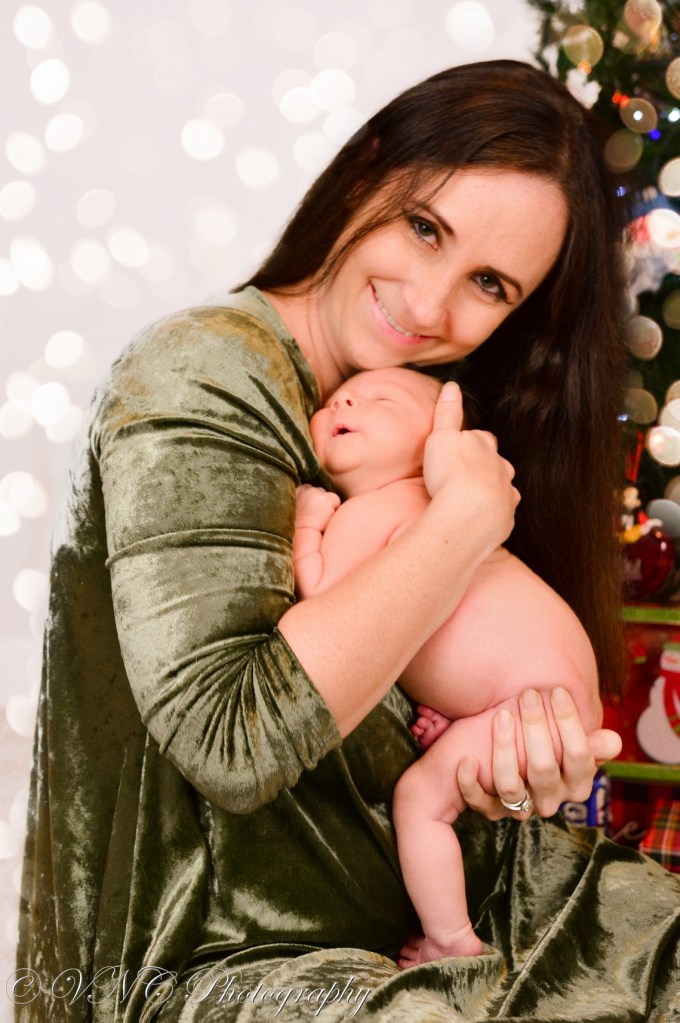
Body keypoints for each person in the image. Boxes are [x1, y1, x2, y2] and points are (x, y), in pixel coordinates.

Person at [15, 60, 680, 1023]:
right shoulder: (203, 374)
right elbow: (231, 742)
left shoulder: (434, 416)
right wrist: (458, 528)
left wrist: (510, 772)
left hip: (451, 909)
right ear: (368, 167)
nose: (429, 305)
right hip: (230, 959)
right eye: (425, 227)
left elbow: (414, 741)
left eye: (488, 284)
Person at [294, 366, 602, 966]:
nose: (344, 403)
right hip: (545, 696)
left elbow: (323, 598)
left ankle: (450, 938)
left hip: (526, 707)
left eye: (382, 399)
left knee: (419, 799)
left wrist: (306, 521)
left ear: (442, 437)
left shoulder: (374, 509)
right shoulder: (441, 509)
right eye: (334, 402)